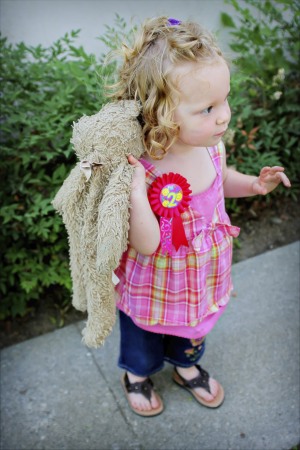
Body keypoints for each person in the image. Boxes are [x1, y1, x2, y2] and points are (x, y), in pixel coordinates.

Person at [111, 16, 291, 417]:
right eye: (207, 108)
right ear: (160, 113)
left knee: (193, 328)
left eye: (224, 100)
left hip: (200, 275)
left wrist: (253, 185)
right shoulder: (143, 167)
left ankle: (186, 365)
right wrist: (138, 193)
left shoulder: (213, 146)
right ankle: (136, 375)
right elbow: (146, 242)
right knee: (143, 334)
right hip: (155, 279)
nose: (223, 116)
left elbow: (220, 180)